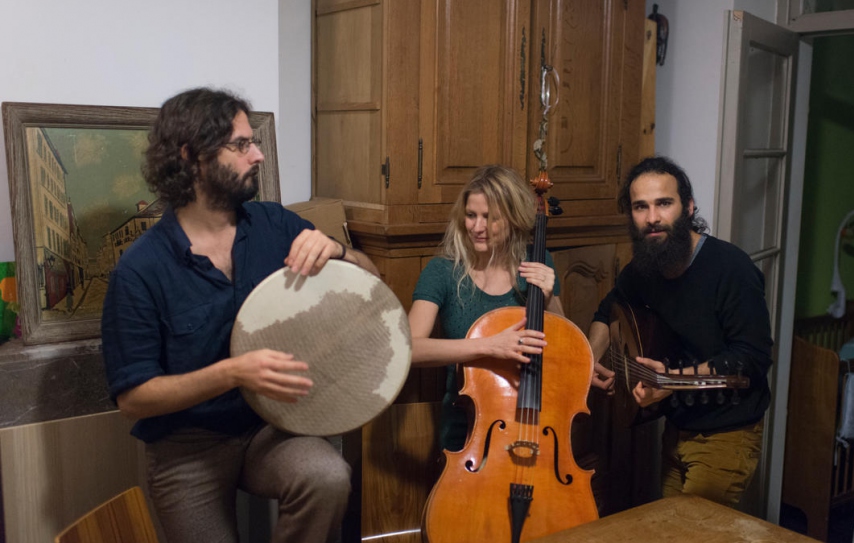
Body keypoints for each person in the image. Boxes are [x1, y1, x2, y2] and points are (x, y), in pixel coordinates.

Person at [101, 87, 378, 543]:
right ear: (193, 156)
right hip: (185, 448)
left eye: (254, 142)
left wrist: (340, 251)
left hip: (271, 429)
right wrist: (232, 373)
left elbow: (375, 282)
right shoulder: (140, 269)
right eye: (242, 144)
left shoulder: (275, 225)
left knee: (327, 476)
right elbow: (133, 398)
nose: (260, 155)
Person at [588, 155, 773, 507]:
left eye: (664, 203)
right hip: (674, 430)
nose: (652, 217)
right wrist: (587, 361)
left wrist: (669, 381)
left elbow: (750, 360)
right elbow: (608, 307)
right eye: (640, 207)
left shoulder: (731, 268)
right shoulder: (644, 269)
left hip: (727, 433)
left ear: (688, 207)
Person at [408, 164, 562, 452]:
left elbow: (565, 346)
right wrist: (490, 346)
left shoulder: (538, 261)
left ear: (513, 219)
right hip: (468, 425)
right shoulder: (442, 271)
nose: (477, 227)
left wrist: (549, 296)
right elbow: (410, 349)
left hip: (533, 419)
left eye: (490, 218)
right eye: (471, 215)